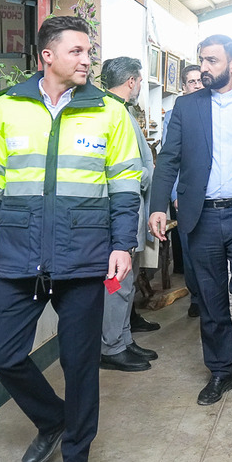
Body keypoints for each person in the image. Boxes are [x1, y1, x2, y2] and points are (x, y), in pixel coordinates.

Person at [0, 16, 141, 462]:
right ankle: (53, 420)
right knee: (2, 354)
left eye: (89, 51)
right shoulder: (6, 107)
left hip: (84, 258)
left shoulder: (108, 111)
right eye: (77, 51)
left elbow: (125, 188)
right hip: (22, 255)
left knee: (80, 365)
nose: (87, 60)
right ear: (47, 56)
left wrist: (122, 244)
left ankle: (77, 455)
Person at [148, 34, 232, 406]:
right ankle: (221, 370)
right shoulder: (186, 106)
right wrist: (158, 206)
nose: (204, 68)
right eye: (202, 60)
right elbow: (169, 159)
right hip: (202, 216)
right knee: (210, 297)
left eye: (212, 61)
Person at [99, 57, 158, 372]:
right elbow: (127, 170)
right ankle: (110, 346)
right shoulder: (113, 112)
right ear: (131, 81)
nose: (139, 88)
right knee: (116, 283)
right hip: (122, 209)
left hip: (130, 209)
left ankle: (122, 339)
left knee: (127, 281)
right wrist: (148, 175)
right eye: (139, 82)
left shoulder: (121, 111)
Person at [162, 64, 205, 318]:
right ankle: (196, 296)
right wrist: (175, 194)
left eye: (200, 80)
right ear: (183, 87)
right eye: (192, 82)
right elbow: (171, 158)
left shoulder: (215, 108)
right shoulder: (173, 115)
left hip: (213, 194)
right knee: (189, 249)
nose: (197, 85)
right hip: (187, 194)